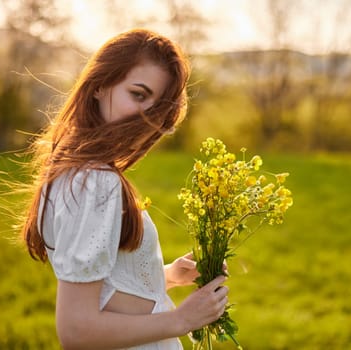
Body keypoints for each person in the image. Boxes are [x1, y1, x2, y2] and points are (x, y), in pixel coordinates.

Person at [19, 29, 229, 349]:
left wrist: (167, 275)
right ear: (101, 85)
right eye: (139, 95)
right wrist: (182, 319)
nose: (148, 118)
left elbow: (103, 288)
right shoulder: (95, 183)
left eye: (158, 107)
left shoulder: (74, 166)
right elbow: (76, 330)